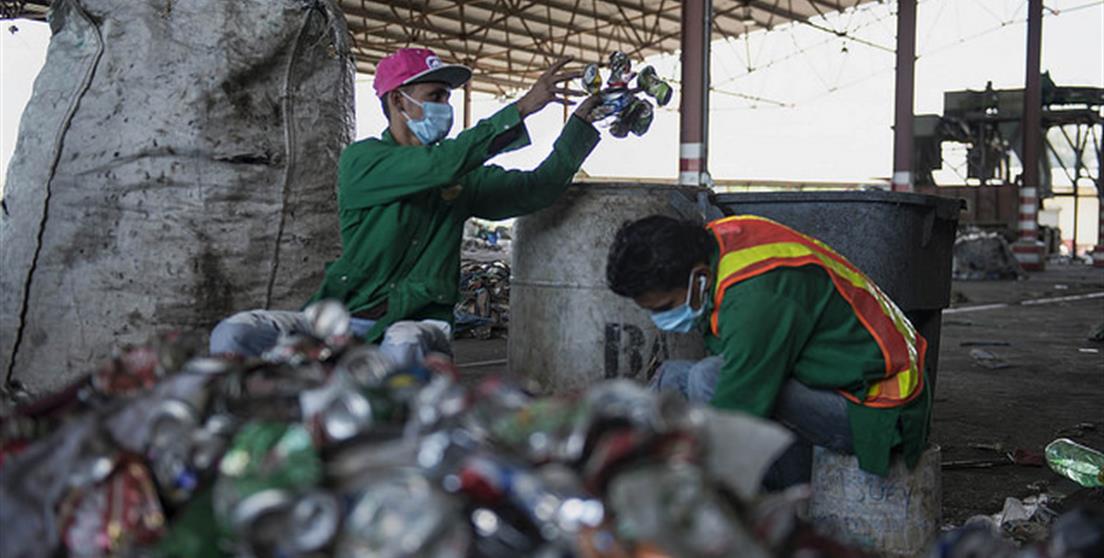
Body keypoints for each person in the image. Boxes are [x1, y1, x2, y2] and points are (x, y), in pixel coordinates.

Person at [210, 48, 601, 366]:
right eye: (436, 96)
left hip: (413, 322)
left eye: (447, 97)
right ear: (399, 100)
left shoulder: (462, 177)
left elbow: (537, 189)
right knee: (236, 332)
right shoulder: (363, 161)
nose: (445, 106)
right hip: (342, 318)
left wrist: (579, 127)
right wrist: (521, 108)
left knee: (404, 343)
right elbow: (441, 164)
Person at [605, 214, 931, 488]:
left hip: (880, 407)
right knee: (673, 378)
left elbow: (734, 412)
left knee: (709, 381)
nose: (660, 319)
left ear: (699, 279)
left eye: (665, 306)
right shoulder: (716, 243)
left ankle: (777, 508)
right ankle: (611, 470)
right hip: (831, 378)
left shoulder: (756, 299)